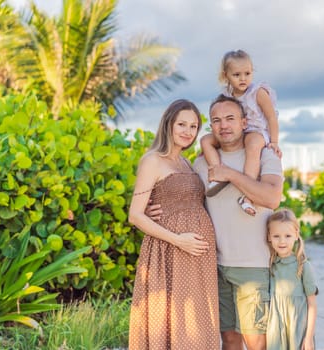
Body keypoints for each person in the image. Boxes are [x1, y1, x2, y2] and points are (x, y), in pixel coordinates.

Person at [128, 99, 220, 350]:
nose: (187, 131)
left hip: (197, 256)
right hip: (168, 252)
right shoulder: (153, 160)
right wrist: (178, 239)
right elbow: (135, 215)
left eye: (193, 126)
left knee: (195, 320)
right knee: (173, 319)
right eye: (181, 124)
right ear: (168, 123)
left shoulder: (187, 163)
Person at [194, 94, 283, 350]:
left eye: (230, 118)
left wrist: (229, 174)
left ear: (244, 122)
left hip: (254, 266)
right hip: (218, 265)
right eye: (216, 121)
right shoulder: (201, 163)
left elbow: (271, 198)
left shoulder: (265, 155)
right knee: (229, 338)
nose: (224, 125)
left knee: (256, 341)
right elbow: (186, 199)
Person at [200, 49, 282, 216]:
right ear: (226, 75)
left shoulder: (257, 92)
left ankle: (248, 194)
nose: (243, 78)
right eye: (237, 74)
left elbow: (272, 117)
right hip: (238, 132)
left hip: (256, 131)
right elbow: (220, 115)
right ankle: (217, 173)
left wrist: (274, 141)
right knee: (205, 140)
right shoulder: (226, 95)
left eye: (247, 73)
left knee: (252, 146)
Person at [266, 208, 318, 350]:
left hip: (298, 330)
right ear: (269, 236)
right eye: (276, 236)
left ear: (296, 235)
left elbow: (312, 304)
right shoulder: (270, 264)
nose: (282, 241)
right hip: (276, 331)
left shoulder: (303, 266)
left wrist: (308, 338)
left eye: (287, 236)